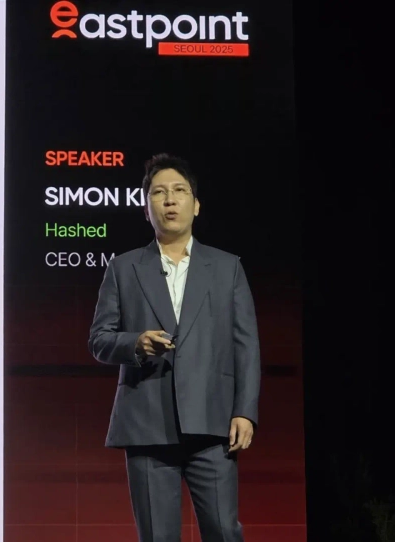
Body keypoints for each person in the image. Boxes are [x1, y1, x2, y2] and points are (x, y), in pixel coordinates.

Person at [88, 153, 261, 542]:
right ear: (146, 208)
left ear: (195, 205)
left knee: (224, 532)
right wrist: (135, 342)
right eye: (159, 192)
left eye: (179, 191)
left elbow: (246, 346)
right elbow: (99, 339)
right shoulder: (123, 268)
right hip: (147, 424)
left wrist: (245, 411)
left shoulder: (227, 267)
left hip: (212, 423)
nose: (169, 199)